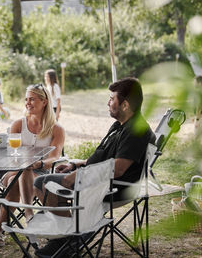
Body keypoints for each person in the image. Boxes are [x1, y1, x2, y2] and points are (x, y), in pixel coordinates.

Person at [33, 77, 155, 257]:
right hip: (100, 179)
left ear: (125, 105)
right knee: (43, 181)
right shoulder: (121, 126)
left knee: (43, 183)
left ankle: (71, 236)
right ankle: (74, 232)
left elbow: (119, 168)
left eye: (112, 99)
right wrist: (76, 165)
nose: (108, 102)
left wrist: (79, 176)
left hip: (114, 187)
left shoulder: (136, 130)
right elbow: (107, 157)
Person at [0, 84, 65, 248]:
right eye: (26, 99)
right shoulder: (18, 125)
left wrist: (40, 163)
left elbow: (55, 157)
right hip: (13, 170)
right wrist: (24, 164)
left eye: (32, 99)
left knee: (19, 179)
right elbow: (10, 153)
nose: (27, 103)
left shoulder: (56, 128)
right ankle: (29, 215)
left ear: (44, 102)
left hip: (40, 172)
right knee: (22, 171)